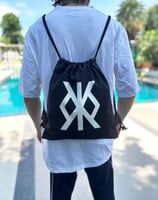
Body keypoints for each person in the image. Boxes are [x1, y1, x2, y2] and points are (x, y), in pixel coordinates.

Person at [19, 0, 139, 199]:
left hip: (58, 141)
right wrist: (117, 120)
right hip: (100, 139)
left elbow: (29, 93)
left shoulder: (38, 29)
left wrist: (38, 125)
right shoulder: (112, 27)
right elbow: (129, 89)